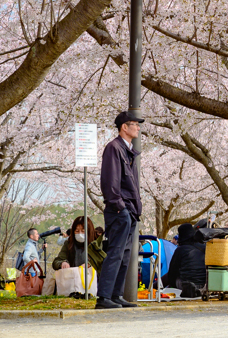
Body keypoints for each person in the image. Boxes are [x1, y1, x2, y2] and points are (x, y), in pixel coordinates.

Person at [97, 111, 144, 310]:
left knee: (125, 255)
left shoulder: (128, 150)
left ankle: (116, 295)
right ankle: (104, 297)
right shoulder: (113, 148)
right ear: (124, 127)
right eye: (135, 124)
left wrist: (132, 210)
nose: (139, 128)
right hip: (119, 211)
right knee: (115, 253)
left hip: (129, 211)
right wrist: (120, 207)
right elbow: (110, 182)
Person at [162, 224, 207, 296]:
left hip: (185, 283)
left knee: (170, 275)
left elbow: (172, 272)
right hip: (203, 283)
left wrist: (170, 283)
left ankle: (153, 287)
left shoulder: (180, 250)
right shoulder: (204, 247)